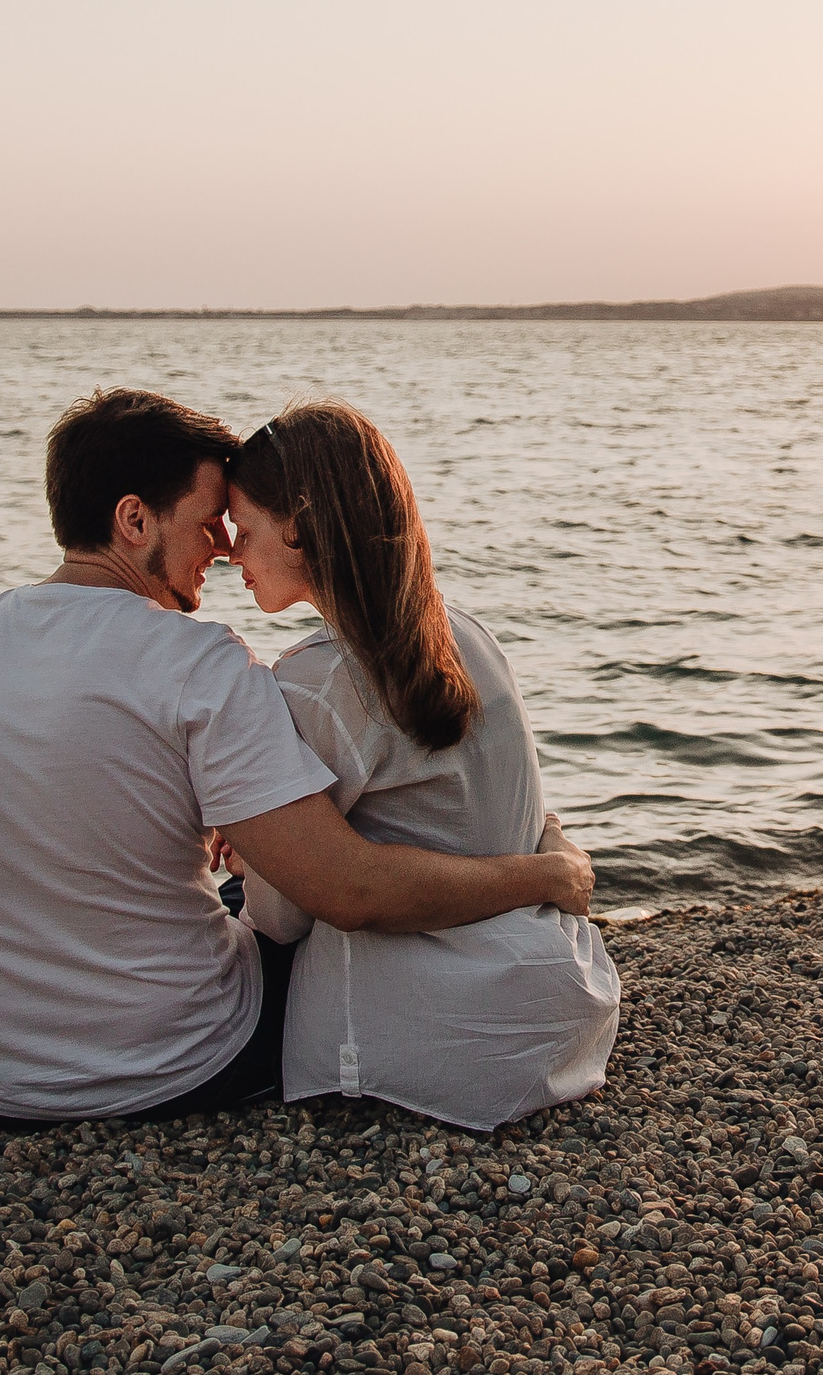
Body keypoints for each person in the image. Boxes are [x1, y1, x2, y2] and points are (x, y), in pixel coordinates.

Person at [0, 388, 594, 1128]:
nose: (223, 549)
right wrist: (546, 872)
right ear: (134, 520)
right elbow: (345, 892)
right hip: (169, 1070)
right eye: (207, 524)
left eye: (232, 528)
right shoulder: (204, 663)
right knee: (249, 886)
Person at [222, 400, 620, 1130]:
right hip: (559, 1004)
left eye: (243, 532)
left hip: (417, 1042)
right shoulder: (469, 634)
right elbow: (515, 815)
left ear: (301, 525)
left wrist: (260, 855)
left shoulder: (313, 683)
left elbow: (282, 918)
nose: (231, 556)